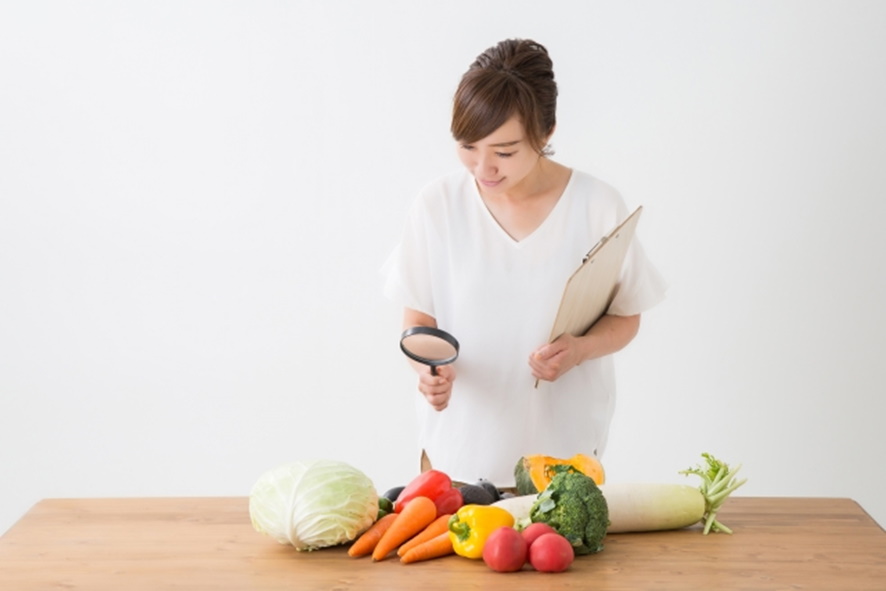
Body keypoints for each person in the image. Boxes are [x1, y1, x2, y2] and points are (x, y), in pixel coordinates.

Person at [382, 39, 667, 487]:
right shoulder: (437, 205)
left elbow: (627, 315)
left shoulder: (597, 206)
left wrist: (579, 350)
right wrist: (427, 371)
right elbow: (418, 319)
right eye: (467, 147)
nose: (483, 168)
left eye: (505, 151)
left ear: (547, 131)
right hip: (453, 460)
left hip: (564, 464)